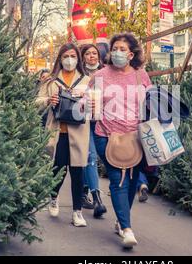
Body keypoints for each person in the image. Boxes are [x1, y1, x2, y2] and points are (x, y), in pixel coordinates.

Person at [90, 33, 152, 248]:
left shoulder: (141, 75)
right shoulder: (99, 75)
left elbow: (150, 103)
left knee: (133, 181)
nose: (117, 52)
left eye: (122, 49)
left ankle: (120, 220)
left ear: (131, 54)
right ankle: (127, 229)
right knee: (118, 180)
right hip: (106, 135)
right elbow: (89, 105)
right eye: (114, 48)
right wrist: (88, 105)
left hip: (135, 137)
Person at [36, 43, 91, 227]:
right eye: (66, 56)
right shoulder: (51, 81)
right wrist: (48, 100)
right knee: (58, 169)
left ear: (78, 59)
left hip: (78, 133)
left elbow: (95, 108)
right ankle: (53, 197)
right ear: (60, 58)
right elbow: (37, 101)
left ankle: (77, 212)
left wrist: (86, 102)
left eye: (73, 56)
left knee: (77, 171)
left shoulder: (86, 80)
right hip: (58, 131)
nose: (70, 60)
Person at [79, 44, 107, 218]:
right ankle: (97, 198)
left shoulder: (106, 74)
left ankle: (82, 191)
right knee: (90, 157)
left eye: (94, 53)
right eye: (88, 53)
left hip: (103, 121)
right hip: (84, 121)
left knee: (92, 157)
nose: (91, 56)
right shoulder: (80, 76)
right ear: (83, 57)